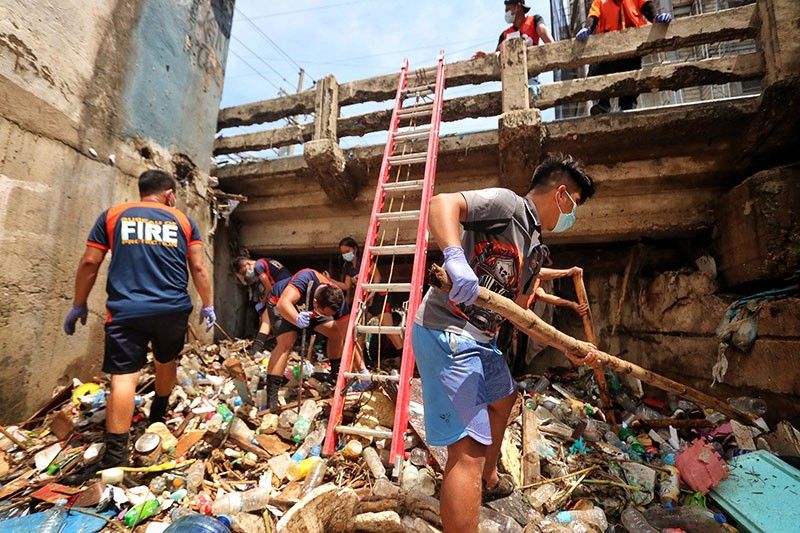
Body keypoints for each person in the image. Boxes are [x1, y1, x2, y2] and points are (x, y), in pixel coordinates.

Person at [412, 154, 596, 531]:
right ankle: (476, 473)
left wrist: (567, 348)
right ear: (561, 194)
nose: (572, 214)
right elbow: (441, 203)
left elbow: (521, 316)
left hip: (482, 339)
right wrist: (453, 256)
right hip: (448, 330)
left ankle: (489, 479)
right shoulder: (509, 206)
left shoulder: (534, 250)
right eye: (574, 204)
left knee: (504, 397)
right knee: (468, 451)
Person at [62, 169, 215, 484]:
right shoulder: (184, 222)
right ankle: (157, 416)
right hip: (172, 309)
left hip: (125, 311)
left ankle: (115, 459)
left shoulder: (114, 215)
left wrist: (79, 302)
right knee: (166, 360)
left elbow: (90, 262)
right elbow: (198, 266)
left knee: (124, 378)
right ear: (169, 193)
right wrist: (208, 303)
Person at [264, 268, 349, 409]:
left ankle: (335, 374)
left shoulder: (338, 301)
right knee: (287, 342)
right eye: (322, 312)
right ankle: (271, 396)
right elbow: (283, 303)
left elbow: (347, 337)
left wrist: (361, 368)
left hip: (310, 311)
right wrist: (297, 319)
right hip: (281, 303)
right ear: (315, 302)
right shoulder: (305, 277)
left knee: (335, 333)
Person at [576, 0, 673, 114]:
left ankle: (628, 105)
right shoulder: (600, 1)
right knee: (597, 70)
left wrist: (656, 18)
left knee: (631, 75)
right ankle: (603, 104)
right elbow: (593, 17)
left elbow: (647, 7)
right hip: (608, 50)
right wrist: (587, 29)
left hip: (631, 48)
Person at [231, 256, 292, 354]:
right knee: (270, 318)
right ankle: (265, 344)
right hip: (288, 286)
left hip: (282, 288)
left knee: (266, 318)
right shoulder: (265, 261)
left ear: (247, 264)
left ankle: (256, 349)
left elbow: (269, 288)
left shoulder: (258, 266)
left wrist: (263, 303)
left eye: (244, 272)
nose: (246, 274)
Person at [473, 0, 554, 59]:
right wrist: (486, 57)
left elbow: (544, 33)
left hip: (532, 74)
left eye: (507, 10)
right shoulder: (504, 35)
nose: (506, 14)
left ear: (518, 7)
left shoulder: (534, 20)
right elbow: (497, 55)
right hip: (511, 76)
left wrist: (554, 49)